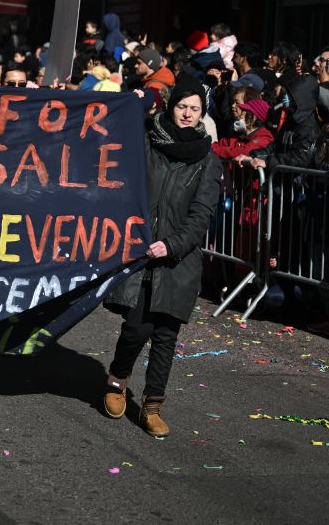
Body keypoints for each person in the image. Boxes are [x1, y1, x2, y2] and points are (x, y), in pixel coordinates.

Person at [101, 74, 220, 437]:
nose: (187, 114)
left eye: (194, 109)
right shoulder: (147, 142)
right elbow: (113, 143)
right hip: (140, 253)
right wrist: (133, 106)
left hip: (178, 260)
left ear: (203, 114)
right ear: (171, 106)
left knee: (166, 335)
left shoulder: (208, 161)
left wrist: (172, 244)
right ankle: (117, 379)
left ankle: (152, 405)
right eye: (182, 106)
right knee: (136, 329)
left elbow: (202, 214)